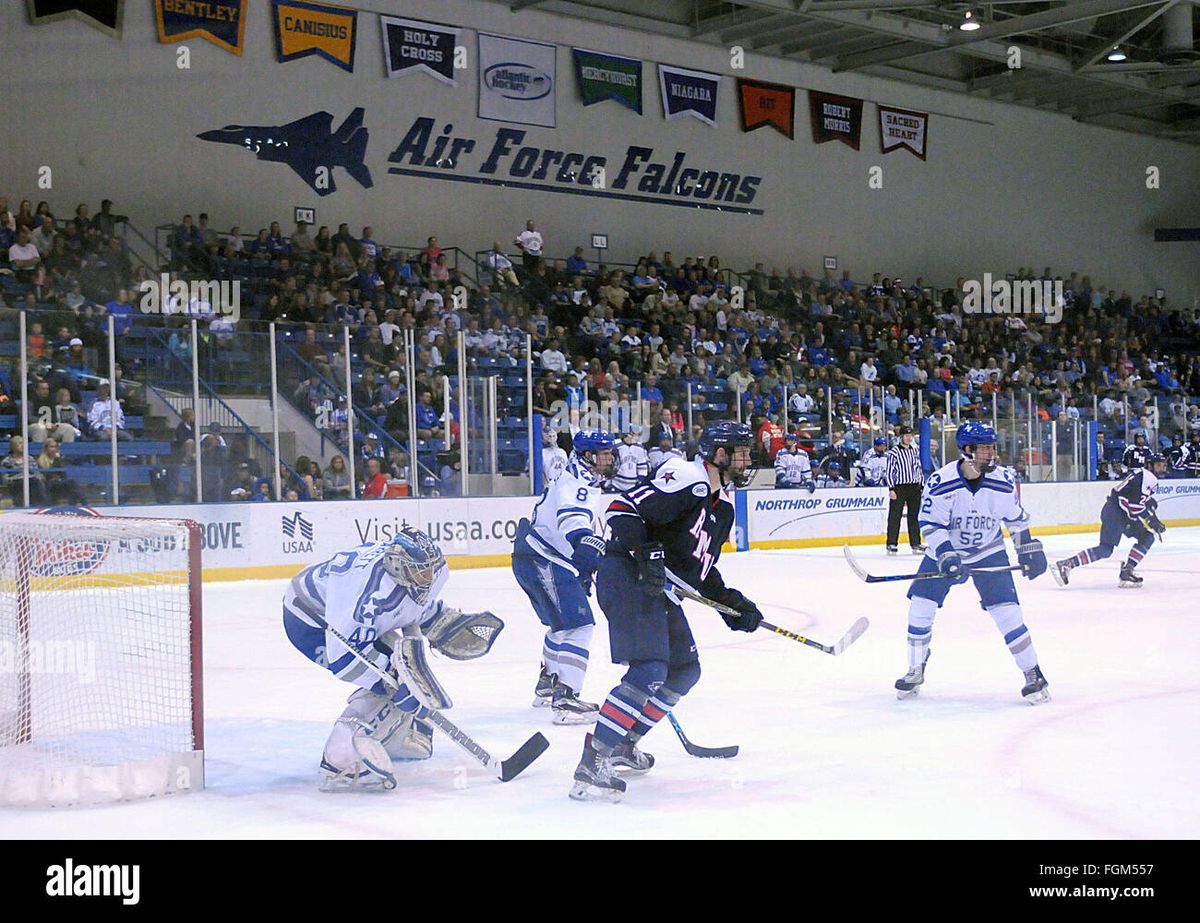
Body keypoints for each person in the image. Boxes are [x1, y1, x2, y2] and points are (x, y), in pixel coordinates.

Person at [570, 421, 763, 801]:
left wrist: (733, 605)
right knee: (649, 669)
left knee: (684, 670)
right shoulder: (687, 477)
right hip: (625, 572)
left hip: (658, 587)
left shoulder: (721, 509)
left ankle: (624, 741)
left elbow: (699, 571)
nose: (747, 459)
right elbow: (621, 508)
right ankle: (594, 758)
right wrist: (645, 551)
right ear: (719, 455)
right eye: (740, 451)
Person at [281, 528, 502, 791]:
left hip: (347, 613)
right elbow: (344, 660)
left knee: (406, 674)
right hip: (312, 619)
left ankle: (395, 737)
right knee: (393, 680)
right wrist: (394, 682)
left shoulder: (415, 574)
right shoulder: (369, 597)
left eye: (430, 570)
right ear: (398, 567)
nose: (428, 578)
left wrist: (442, 621)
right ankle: (341, 757)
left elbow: (415, 607)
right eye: (421, 572)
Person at [895, 422, 1050, 705]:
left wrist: (1027, 548)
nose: (991, 453)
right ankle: (915, 668)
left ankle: (1033, 673)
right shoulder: (942, 482)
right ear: (967, 451)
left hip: (988, 551)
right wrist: (948, 555)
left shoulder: (1002, 481)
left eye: (992, 447)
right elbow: (930, 525)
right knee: (921, 607)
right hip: (943, 553)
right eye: (985, 448)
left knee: (1008, 614)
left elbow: (1015, 520)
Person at [512, 431, 617, 725]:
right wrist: (585, 543)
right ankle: (566, 698)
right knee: (580, 626)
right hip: (544, 559)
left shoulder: (577, 475)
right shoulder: (579, 482)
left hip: (536, 556)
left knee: (562, 626)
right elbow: (572, 522)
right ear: (587, 456)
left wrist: (579, 565)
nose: (610, 459)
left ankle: (548, 684)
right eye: (604, 453)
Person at [1052, 453, 1168, 588]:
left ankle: (1127, 571)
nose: (1162, 468)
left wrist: (1153, 517)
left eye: (1163, 465)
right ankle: (1066, 564)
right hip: (1116, 513)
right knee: (1105, 549)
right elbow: (1135, 507)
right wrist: (1151, 520)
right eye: (1158, 465)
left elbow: (1137, 500)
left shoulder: (1142, 474)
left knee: (1147, 537)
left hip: (1122, 514)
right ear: (1150, 465)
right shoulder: (1148, 477)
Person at [611, 425, 649, 493]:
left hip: (633, 486)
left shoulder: (639, 448)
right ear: (629, 434)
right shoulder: (615, 445)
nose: (638, 437)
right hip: (616, 484)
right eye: (637, 434)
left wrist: (640, 480)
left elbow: (642, 467)